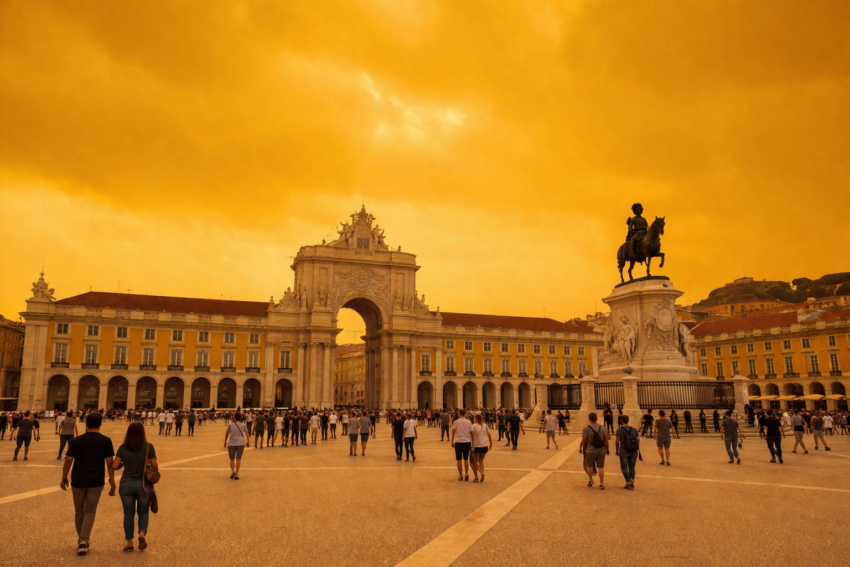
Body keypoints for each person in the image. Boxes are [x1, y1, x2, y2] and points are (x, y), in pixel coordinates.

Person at [61, 412, 116, 556]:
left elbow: (68, 460)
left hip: (78, 479)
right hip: (96, 480)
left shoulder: (77, 441)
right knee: (90, 510)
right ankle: (83, 540)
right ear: (101, 424)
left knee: (79, 510)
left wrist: (64, 477)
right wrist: (112, 481)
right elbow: (109, 463)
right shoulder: (106, 441)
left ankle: (82, 540)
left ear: (86, 424)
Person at [111, 422, 156, 552]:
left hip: (126, 484)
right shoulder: (148, 447)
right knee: (143, 511)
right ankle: (141, 534)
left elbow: (114, 466)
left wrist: (124, 462)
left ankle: (129, 543)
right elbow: (155, 466)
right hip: (144, 484)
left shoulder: (123, 448)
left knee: (128, 513)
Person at [580, 412, 609, 490]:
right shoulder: (603, 428)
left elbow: (583, 440)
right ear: (596, 419)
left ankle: (591, 480)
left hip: (590, 450)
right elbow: (606, 440)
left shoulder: (586, 428)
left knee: (589, 466)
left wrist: (580, 448)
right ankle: (601, 484)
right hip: (601, 449)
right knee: (601, 467)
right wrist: (607, 449)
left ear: (589, 419)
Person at [615, 415, 640, 489]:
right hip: (634, 450)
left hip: (624, 450)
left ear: (621, 420)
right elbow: (638, 440)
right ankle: (631, 482)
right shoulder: (634, 429)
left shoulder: (619, 430)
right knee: (632, 467)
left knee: (624, 467)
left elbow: (617, 441)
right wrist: (634, 446)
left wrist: (617, 450)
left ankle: (628, 481)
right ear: (628, 420)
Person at [223, 412, 248, 479]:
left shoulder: (230, 425)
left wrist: (225, 442)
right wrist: (248, 441)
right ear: (240, 418)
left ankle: (232, 471)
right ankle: (237, 473)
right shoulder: (243, 425)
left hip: (231, 443)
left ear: (234, 417)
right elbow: (247, 433)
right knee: (238, 459)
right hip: (241, 443)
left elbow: (227, 433)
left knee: (232, 459)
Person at [451, 409, 473, 481]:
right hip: (467, 442)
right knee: (466, 459)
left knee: (459, 460)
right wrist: (472, 442)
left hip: (458, 442)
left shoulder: (456, 422)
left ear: (459, 414)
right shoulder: (469, 422)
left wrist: (452, 441)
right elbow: (471, 433)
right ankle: (466, 474)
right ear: (465, 414)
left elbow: (453, 432)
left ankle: (461, 475)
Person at [470, 413, 492, 483]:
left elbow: (472, 437)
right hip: (484, 446)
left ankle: (482, 473)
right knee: (481, 461)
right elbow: (489, 435)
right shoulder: (485, 425)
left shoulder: (473, 426)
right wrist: (491, 443)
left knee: (475, 462)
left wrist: (473, 446)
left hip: (477, 446)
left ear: (475, 419)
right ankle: (482, 472)